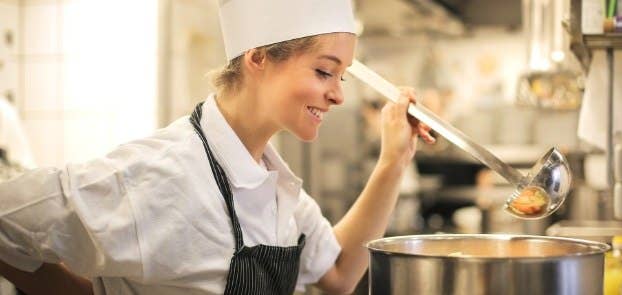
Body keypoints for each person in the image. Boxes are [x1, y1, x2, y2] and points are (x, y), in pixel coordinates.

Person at [0, 0, 435, 294]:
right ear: (259, 57)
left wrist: (395, 160)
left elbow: (339, 273)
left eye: (343, 77)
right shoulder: (163, 173)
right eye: (325, 71)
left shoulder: (273, 180)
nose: (339, 95)